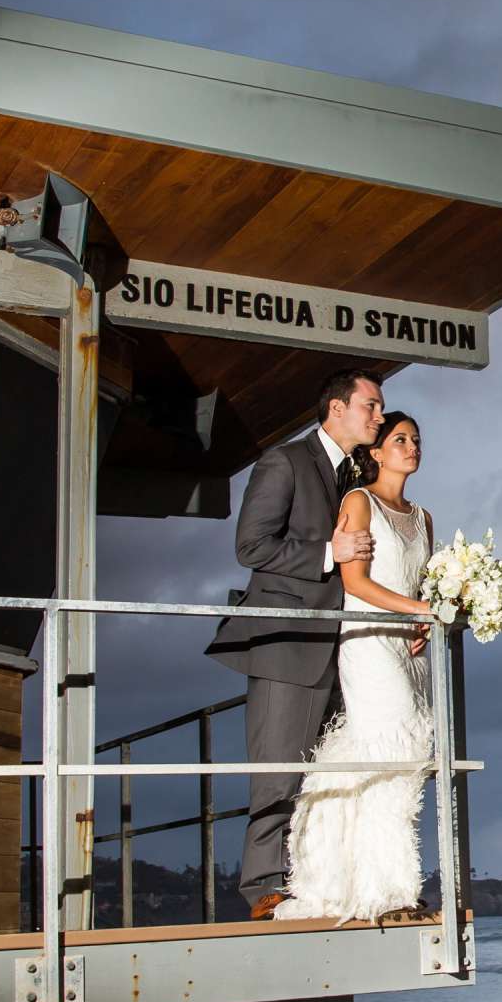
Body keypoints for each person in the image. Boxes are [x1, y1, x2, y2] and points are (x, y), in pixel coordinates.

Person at [206, 368, 385, 919]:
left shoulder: (358, 472)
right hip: (288, 646)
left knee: (328, 773)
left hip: (346, 648)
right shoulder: (284, 461)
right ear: (337, 408)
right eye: (371, 406)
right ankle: (262, 888)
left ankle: (318, 879)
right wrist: (329, 553)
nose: (379, 416)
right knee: (278, 772)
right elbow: (251, 545)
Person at [276, 412, 437, 923]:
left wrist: (427, 617)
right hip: (369, 642)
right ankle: (386, 891)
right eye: (400, 439)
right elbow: (357, 583)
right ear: (375, 453)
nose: (411, 447)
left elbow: (420, 584)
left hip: (409, 647)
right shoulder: (358, 502)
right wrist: (418, 610)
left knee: (408, 754)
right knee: (387, 749)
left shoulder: (424, 516)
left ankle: (380, 877)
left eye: (415, 440)